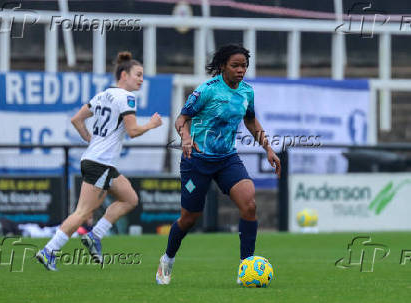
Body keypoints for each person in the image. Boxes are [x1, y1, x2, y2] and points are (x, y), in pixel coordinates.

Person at [156, 44, 281, 285]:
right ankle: (167, 259)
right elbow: (182, 119)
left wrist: (268, 147)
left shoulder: (246, 92)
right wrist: (185, 138)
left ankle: (246, 267)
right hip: (197, 160)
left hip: (226, 159)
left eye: (244, 66)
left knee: (249, 204)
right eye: (235, 65)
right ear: (223, 66)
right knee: (189, 218)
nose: (241, 70)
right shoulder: (207, 91)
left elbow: (251, 122)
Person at [37, 51, 162, 271]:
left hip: (99, 162)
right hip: (100, 163)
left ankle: (95, 235)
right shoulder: (126, 97)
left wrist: (90, 140)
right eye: (138, 75)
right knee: (83, 212)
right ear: (124, 75)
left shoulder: (103, 95)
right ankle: (49, 251)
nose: (142, 79)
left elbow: (77, 119)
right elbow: (132, 131)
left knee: (130, 198)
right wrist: (151, 125)